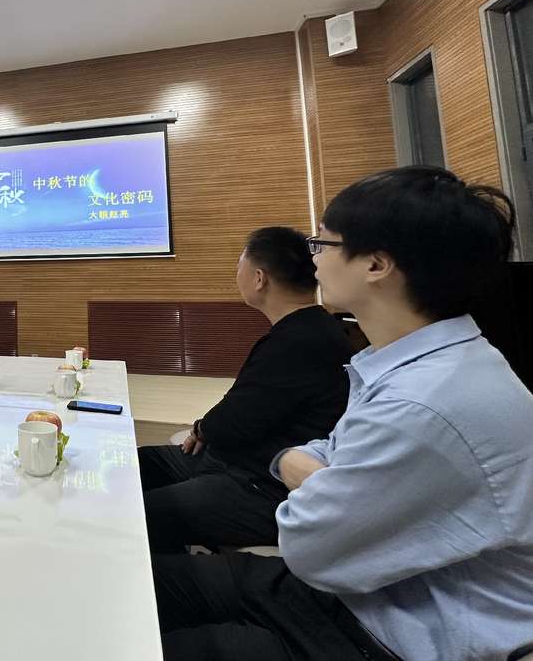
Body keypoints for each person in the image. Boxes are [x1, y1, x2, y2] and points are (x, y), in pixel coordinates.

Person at [153, 167, 533, 661]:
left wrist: (306, 471)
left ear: (375, 264)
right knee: (141, 581)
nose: (312, 258)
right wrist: (309, 469)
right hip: (353, 595)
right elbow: (323, 452)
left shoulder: (423, 402)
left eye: (322, 243)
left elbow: (308, 544)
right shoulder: (417, 363)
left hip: (381, 634)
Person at [138, 227, 351, 553]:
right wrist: (206, 428)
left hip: (260, 486)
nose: (236, 274)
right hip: (235, 459)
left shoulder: (299, 342)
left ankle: (167, 574)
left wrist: (205, 429)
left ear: (259, 278)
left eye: (239, 266)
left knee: (139, 515)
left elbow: (235, 422)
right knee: (133, 466)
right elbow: (241, 410)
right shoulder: (309, 329)